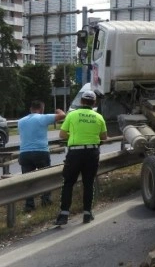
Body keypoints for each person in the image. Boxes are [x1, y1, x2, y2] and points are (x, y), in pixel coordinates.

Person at [55, 90, 107, 225]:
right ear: (94, 102)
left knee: (68, 183)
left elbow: (62, 135)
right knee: (88, 183)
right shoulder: (98, 117)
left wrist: (73, 136)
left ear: (81, 101)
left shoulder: (72, 115)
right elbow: (104, 137)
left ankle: (64, 215)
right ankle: (87, 214)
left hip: (75, 153)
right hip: (92, 153)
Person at [18, 101, 66, 212]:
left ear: (30, 109)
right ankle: (46, 201)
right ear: (41, 109)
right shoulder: (43, 118)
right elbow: (63, 115)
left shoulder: (21, 121)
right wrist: (58, 110)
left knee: (28, 181)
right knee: (45, 177)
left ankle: (29, 206)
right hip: (40, 152)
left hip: (24, 153)